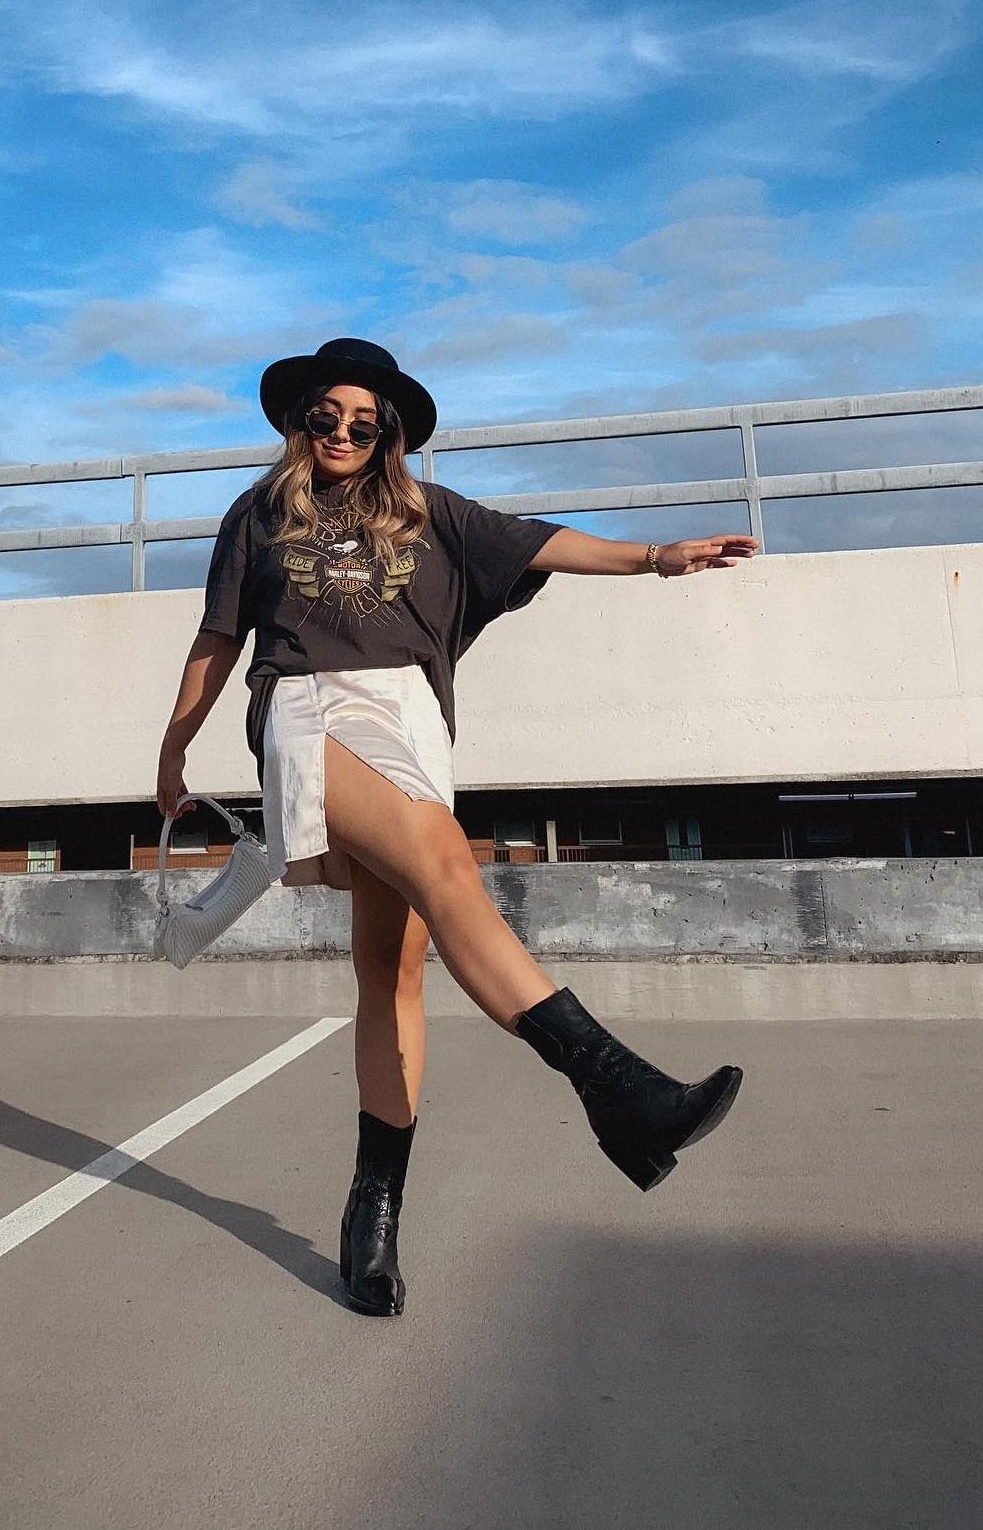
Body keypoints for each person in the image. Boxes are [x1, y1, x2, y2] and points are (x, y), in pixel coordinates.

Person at [156, 337, 757, 1317]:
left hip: (410, 724)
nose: (341, 432)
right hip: (304, 709)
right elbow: (218, 636)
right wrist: (172, 747)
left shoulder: (431, 516)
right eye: (324, 416)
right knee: (446, 864)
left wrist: (655, 558)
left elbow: (538, 540)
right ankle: (614, 1086)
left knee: (391, 971)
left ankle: (372, 1216)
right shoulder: (256, 514)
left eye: (362, 420)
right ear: (296, 423)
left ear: (387, 431)